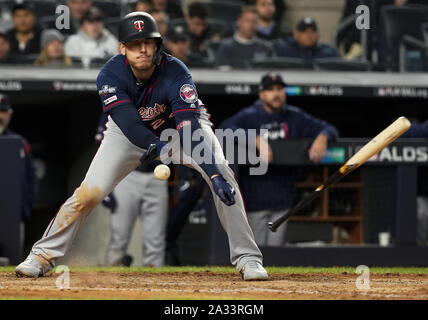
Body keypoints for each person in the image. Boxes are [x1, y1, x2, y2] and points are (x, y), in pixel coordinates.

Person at [15, 12, 268, 281]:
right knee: (88, 194)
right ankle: (41, 256)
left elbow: (189, 127)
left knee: (224, 175)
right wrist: (157, 147)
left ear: (157, 44)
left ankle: (248, 258)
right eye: (135, 44)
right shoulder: (110, 74)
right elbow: (131, 125)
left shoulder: (176, 72)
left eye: (148, 42)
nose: (143, 49)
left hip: (179, 130)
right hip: (128, 134)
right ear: (122, 47)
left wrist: (213, 173)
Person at [220, 73, 339, 246]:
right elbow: (225, 128)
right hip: (254, 201)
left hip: (283, 200)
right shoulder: (250, 115)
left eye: (279, 89)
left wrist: (322, 137)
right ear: (262, 94)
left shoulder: (294, 116)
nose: (276, 94)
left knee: (275, 256)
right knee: (256, 253)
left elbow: (329, 128)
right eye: (270, 90)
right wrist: (255, 139)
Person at [95, 114, 169, 267]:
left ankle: (154, 284)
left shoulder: (163, 103)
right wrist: (105, 184)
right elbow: (103, 146)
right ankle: (110, 282)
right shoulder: (119, 103)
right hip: (127, 175)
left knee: (155, 239)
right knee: (119, 237)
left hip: (157, 176)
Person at [0, 93, 38, 250]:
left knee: (12, 257)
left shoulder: (20, 143)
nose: (0, 115)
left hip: (13, 215)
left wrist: (25, 209)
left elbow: (31, 178)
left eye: (3, 111)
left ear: (9, 114)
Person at [275, 17, 341, 68]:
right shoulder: (283, 48)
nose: (309, 35)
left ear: (318, 35)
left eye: (312, 32)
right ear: (296, 34)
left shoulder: (329, 52)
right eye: (304, 32)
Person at [402, 120, 428, 246]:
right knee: (421, 214)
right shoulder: (419, 129)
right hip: (423, 193)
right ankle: (420, 254)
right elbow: (409, 131)